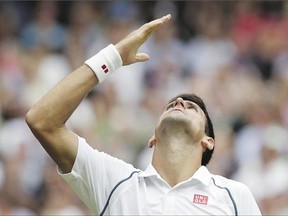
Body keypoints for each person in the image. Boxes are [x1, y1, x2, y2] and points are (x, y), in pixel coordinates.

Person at [25, 14, 261, 215]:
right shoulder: (117, 183)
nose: (179, 101)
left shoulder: (234, 196)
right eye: (171, 106)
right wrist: (113, 57)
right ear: (153, 138)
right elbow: (42, 121)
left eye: (192, 107)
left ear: (208, 141)